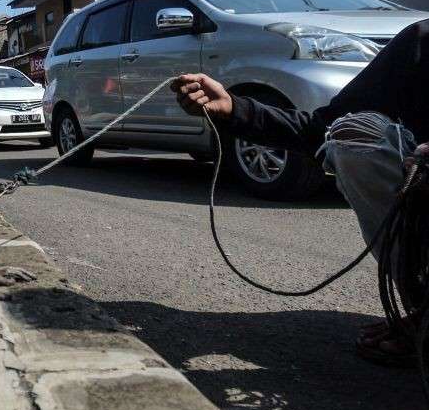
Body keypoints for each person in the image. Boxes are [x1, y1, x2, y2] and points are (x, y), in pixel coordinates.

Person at [172, 19, 428, 367]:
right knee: (353, 134)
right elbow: (319, 128)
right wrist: (234, 108)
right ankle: (425, 307)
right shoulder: (421, 41)